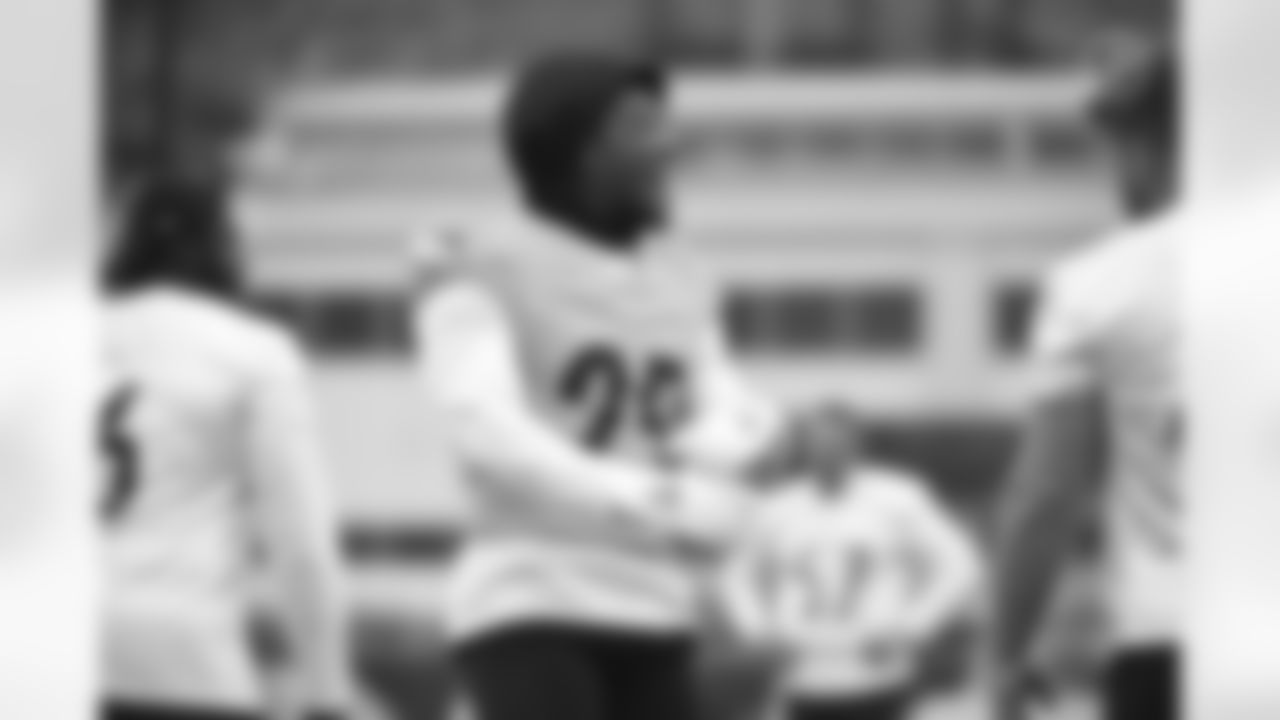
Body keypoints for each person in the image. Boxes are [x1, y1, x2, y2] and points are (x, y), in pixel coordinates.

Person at [412, 51, 789, 720]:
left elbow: (714, 405)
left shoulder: (679, 273)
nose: (670, 145)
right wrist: (650, 498)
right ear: (578, 148)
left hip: (655, 604)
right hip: (531, 595)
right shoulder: (479, 261)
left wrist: (754, 443)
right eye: (642, 126)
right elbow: (484, 433)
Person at [100, 178, 365, 720]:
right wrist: (328, 693)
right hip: (184, 656)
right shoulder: (253, 354)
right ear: (225, 248)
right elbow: (301, 545)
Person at [992, 46, 1181, 720]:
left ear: (1147, 147)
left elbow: (1045, 497)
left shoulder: (1095, 285)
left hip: (1170, 643)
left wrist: (1008, 655)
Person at [718, 403, 982, 720]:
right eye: (818, 445)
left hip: (878, 671)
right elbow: (736, 574)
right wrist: (759, 632)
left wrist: (913, 627)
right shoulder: (778, 508)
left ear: (856, 446)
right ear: (806, 450)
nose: (827, 453)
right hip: (804, 674)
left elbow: (958, 563)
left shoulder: (897, 499)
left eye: (836, 444)